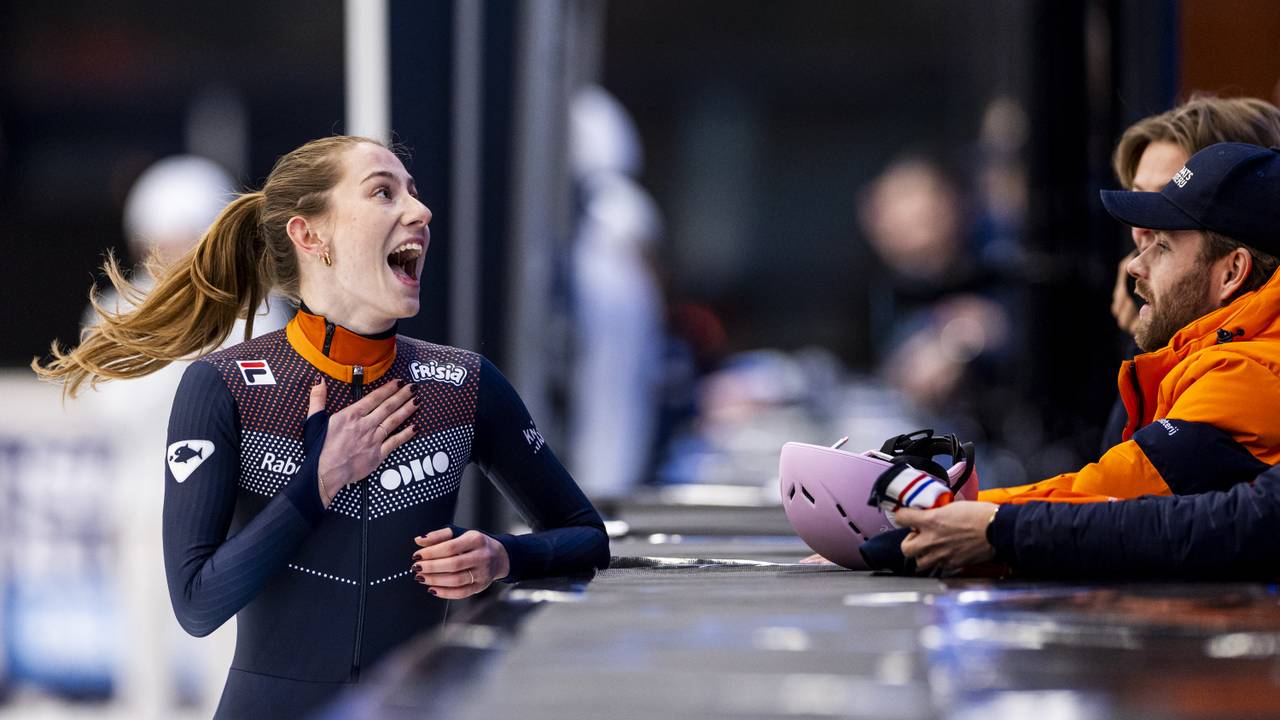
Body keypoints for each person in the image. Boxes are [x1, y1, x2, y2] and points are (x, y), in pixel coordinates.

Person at [33, 135, 610, 717]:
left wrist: (502, 557)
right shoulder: (225, 383)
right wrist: (318, 483)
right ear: (311, 236)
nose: (420, 211)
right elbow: (198, 605)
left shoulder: (462, 383)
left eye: (414, 192)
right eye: (383, 193)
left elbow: (588, 535)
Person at [899, 142, 1280, 576]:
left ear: (1232, 272)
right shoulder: (1207, 351)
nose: (1134, 263)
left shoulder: (1250, 370)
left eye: (1164, 247)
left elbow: (1113, 493)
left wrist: (932, 520)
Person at [1100, 96, 1280, 450]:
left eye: (1168, 206)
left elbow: (1125, 490)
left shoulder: (1247, 370)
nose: (1142, 229)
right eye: (1137, 199)